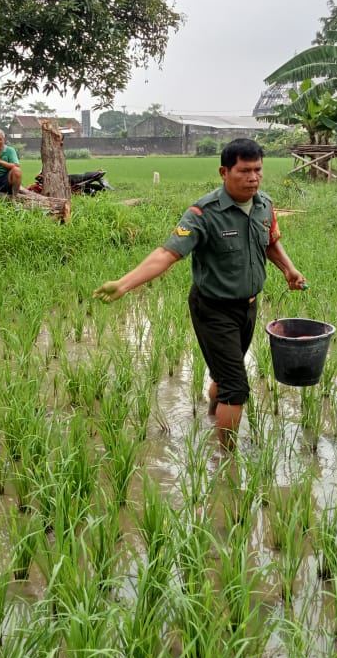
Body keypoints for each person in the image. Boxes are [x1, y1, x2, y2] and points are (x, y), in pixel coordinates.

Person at [94, 138, 307, 450]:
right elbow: (167, 254)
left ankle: (212, 415)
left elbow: (270, 242)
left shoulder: (265, 205)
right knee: (236, 386)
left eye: (258, 170)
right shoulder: (202, 213)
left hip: (248, 307)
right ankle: (226, 457)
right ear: (224, 172)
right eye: (244, 171)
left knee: (225, 375)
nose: (253, 178)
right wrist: (125, 284)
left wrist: (288, 269)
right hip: (213, 309)